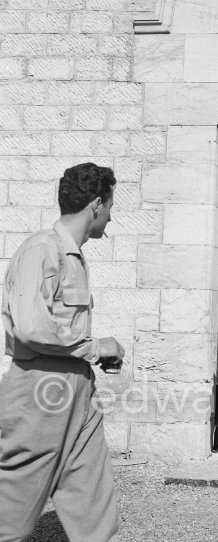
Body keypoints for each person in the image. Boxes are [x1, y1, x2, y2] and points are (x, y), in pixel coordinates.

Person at [0, 162, 125, 542]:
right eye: (111, 206)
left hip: (78, 390)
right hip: (39, 389)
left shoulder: (72, 255)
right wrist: (94, 346)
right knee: (13, 512)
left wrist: (94, 354)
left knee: (92, 502)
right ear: (97, 205)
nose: (111, 215)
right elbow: (32, 326)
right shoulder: (41, 250)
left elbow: (56, 326)